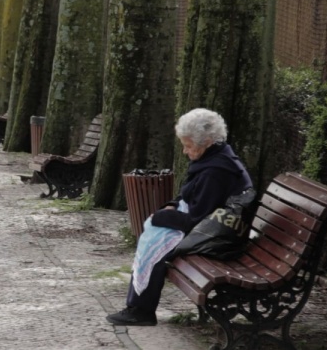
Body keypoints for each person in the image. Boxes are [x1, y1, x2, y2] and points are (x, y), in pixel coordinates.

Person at [106, 108, 252, 326]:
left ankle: (141, 311)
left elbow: (198, 221)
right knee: (155, 236)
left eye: (189, 146)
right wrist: (171, 206)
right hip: (212, 227)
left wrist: (160, 217)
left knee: (159, 245)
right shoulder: (214, 158)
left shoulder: (217, 172)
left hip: (220, 237)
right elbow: (191, 197)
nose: (185, 151)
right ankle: (137, 307)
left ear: (208, 142)